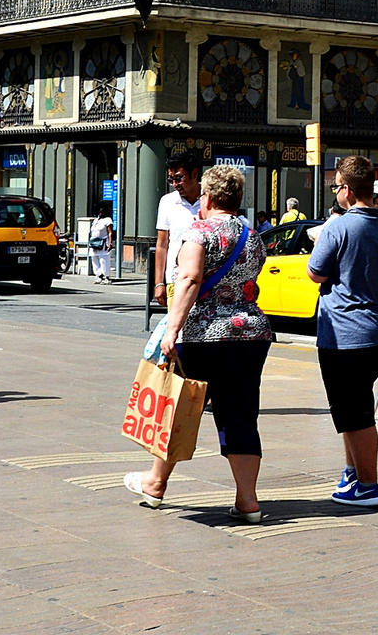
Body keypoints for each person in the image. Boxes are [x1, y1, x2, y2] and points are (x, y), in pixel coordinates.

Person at [125, 163, 273, 521]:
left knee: (178, 409)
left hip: (203, 335)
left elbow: (190, 278)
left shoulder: (199, 230)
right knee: (240, 414)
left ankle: (155, 484)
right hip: (251, 333)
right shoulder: (251, 235)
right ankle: (247, 500)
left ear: (206, 196)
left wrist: (171, 330)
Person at [306, 155, 378, 507]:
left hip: (345, 332)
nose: (336, 193)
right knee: (353, 406)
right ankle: (352, 473)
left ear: (347, 190)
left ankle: (368, 485)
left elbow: (316, 273)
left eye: (336, 187)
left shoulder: (338, 226)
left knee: (357, 411)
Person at [153, 149, 201, 311]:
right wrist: (159, 282)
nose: (175, 184)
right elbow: (162, 244)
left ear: (194, 174)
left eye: (179, 178)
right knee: (177, 330)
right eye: (171, 179)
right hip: (176, 278)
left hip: (205, 278)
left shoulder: (210, 200)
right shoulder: (167, 202)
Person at [88, 205, 115, 284]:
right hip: (94, 242)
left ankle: (105, 276)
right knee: (94, 258)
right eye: (99, 211)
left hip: (103, 242)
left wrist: (110, 243)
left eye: (102, 211)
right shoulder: (96, 220)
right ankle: (98, 275)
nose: (100, 213)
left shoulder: (107, 220)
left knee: (103, 259)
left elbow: (110, 232)